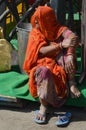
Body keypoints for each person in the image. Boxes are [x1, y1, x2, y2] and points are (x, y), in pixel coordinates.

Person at [23, 6, 81, 125]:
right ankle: (43, 106)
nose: (35, 21)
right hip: (42, 65)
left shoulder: (58, 29)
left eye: (39, 19)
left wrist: (69, 54)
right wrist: (60, 46)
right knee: (43, 71)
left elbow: (72, 37)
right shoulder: (35, 32)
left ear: (48, 19)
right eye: (36, 19)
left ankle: (71, 83)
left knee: (67, 55)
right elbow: (41, 51)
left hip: (59, 66)